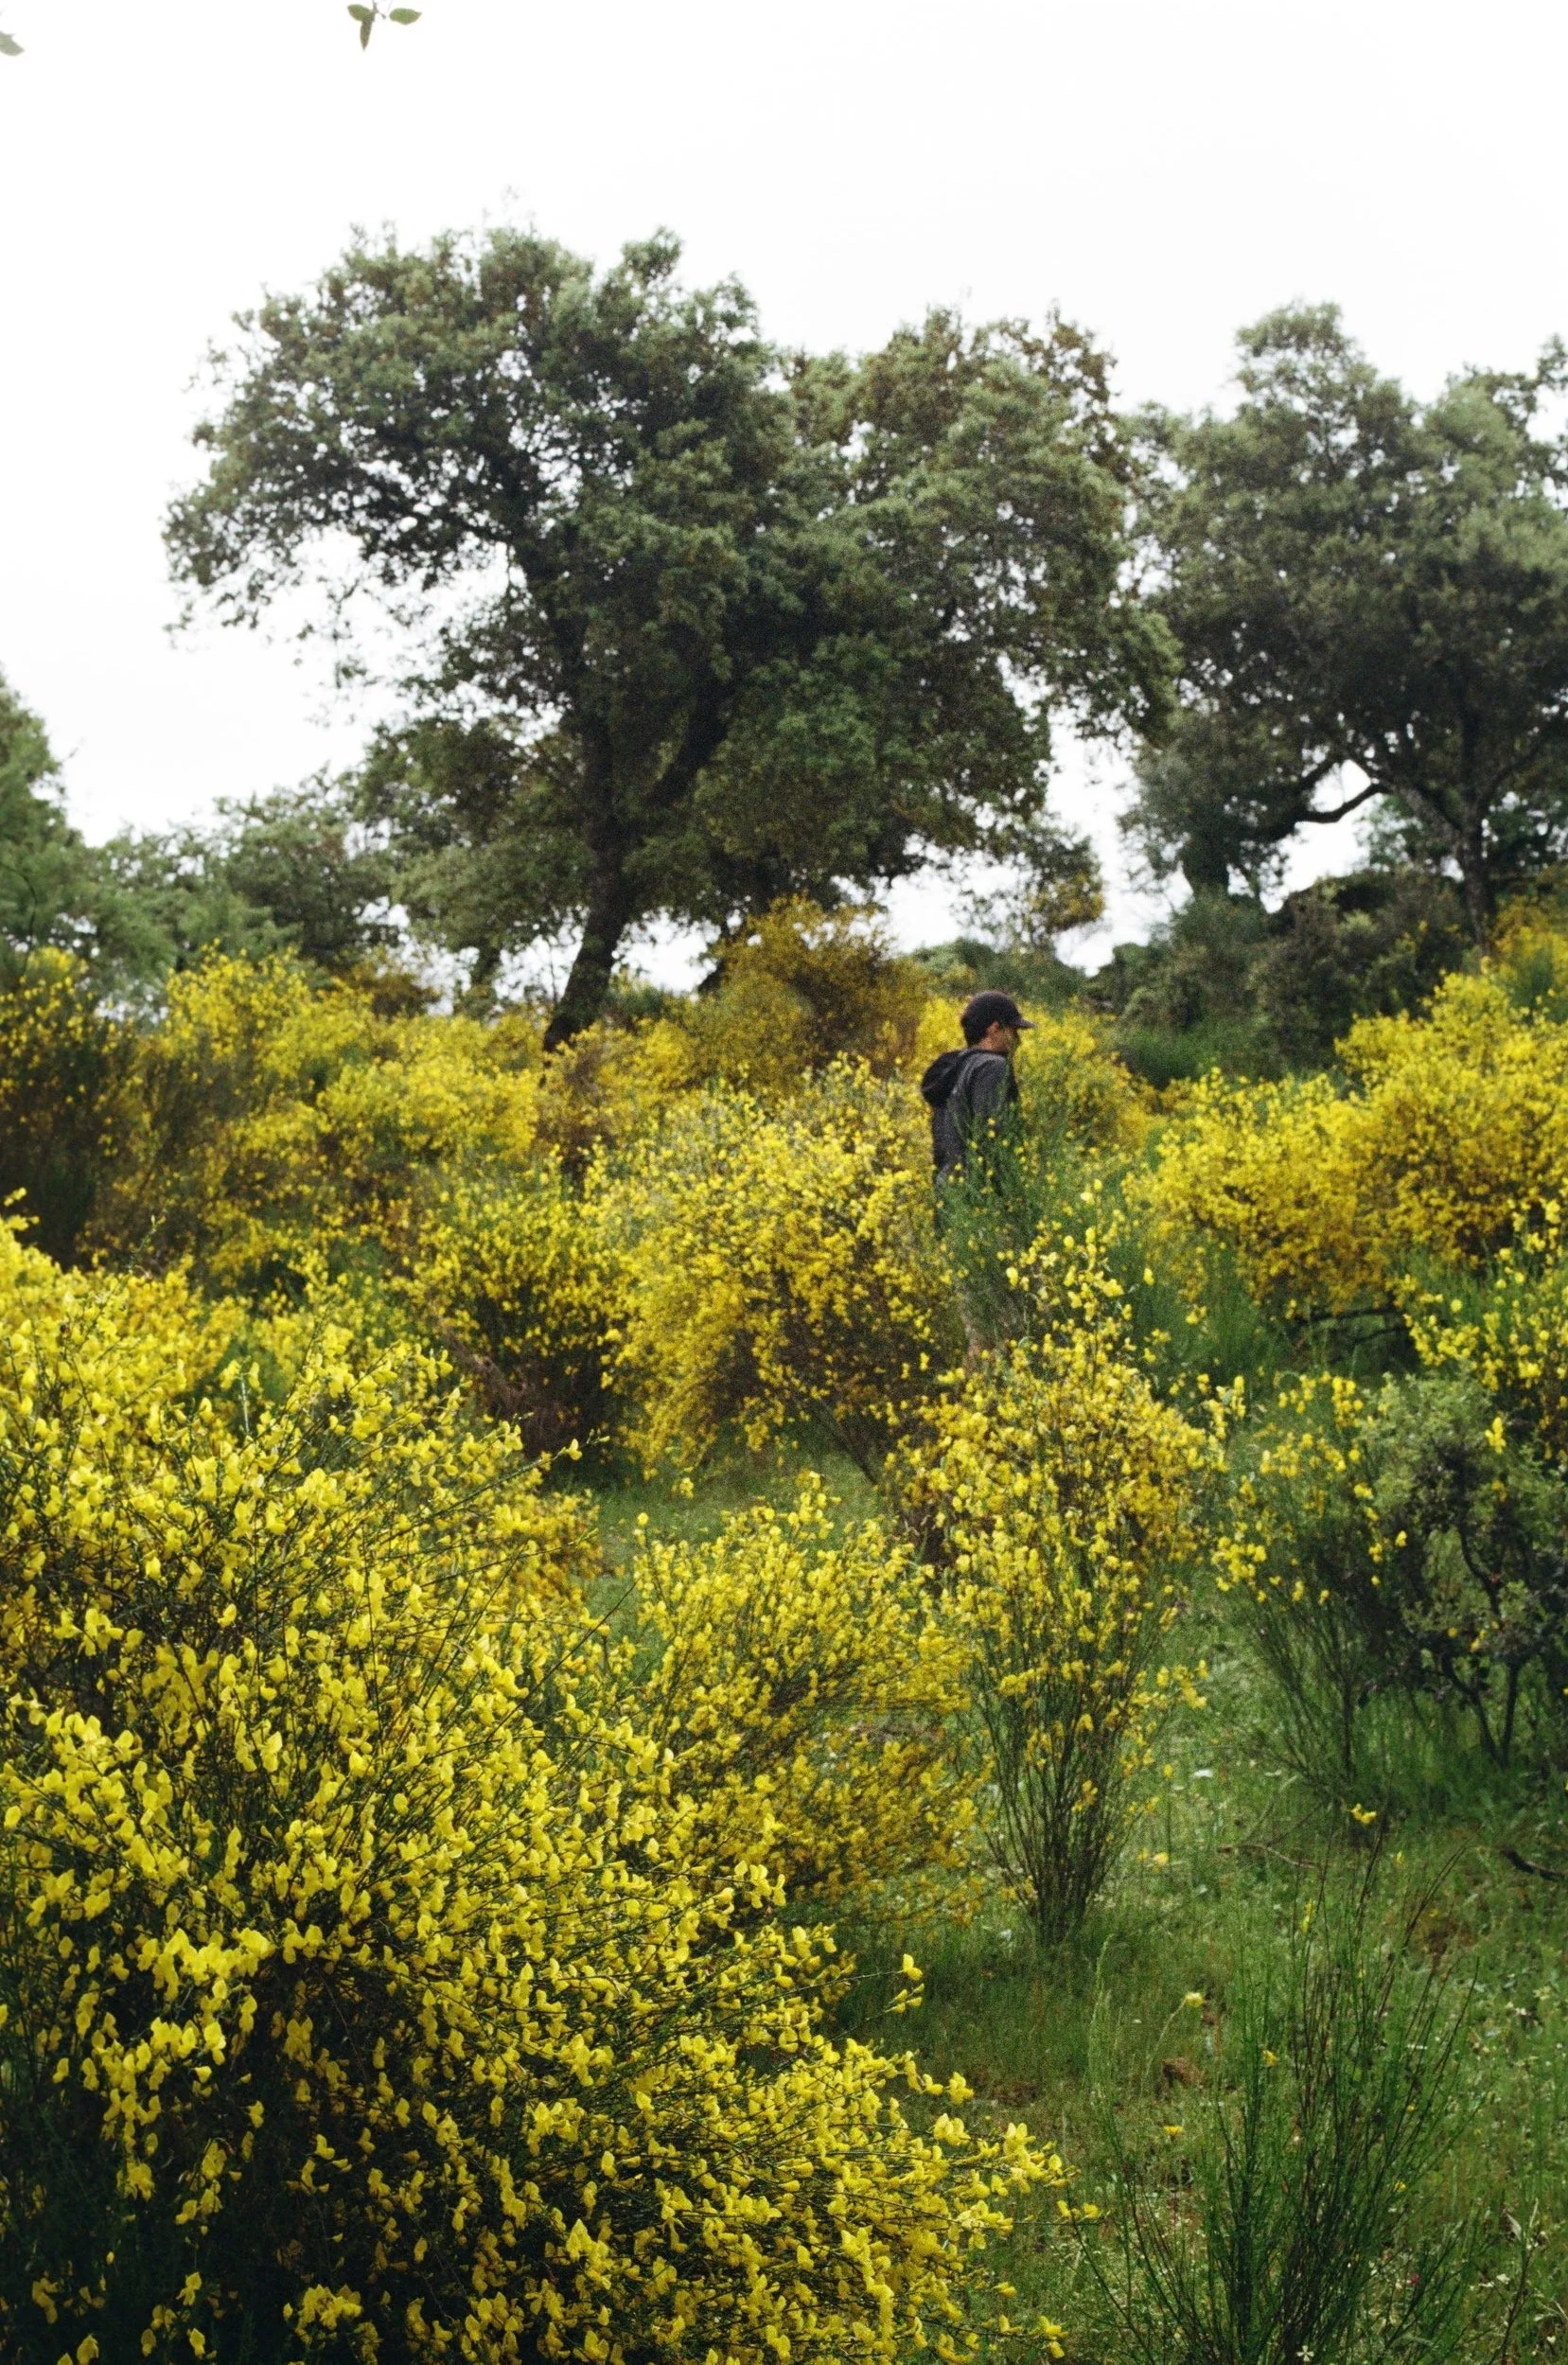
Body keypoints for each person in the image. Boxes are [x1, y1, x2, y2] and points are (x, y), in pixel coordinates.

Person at [920, 990, 1033, 1179]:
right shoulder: (992, 1066)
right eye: (1013, 1031)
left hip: (949, 1189)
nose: (1018, 1041)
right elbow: (993, 1136)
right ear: (994, 1029)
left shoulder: (955, 1066)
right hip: (981, 1191)